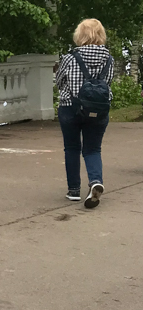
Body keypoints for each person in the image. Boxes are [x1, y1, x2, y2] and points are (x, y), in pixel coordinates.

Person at [55, 19, 114, 208]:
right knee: (93, 149)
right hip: (99, 109)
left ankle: (73, 190)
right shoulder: (109, 59)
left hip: (71, 107)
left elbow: (59, 81)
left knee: (72, 148)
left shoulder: (70, 58)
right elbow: (108, 82)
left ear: (79, 35)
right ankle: (95, 181)